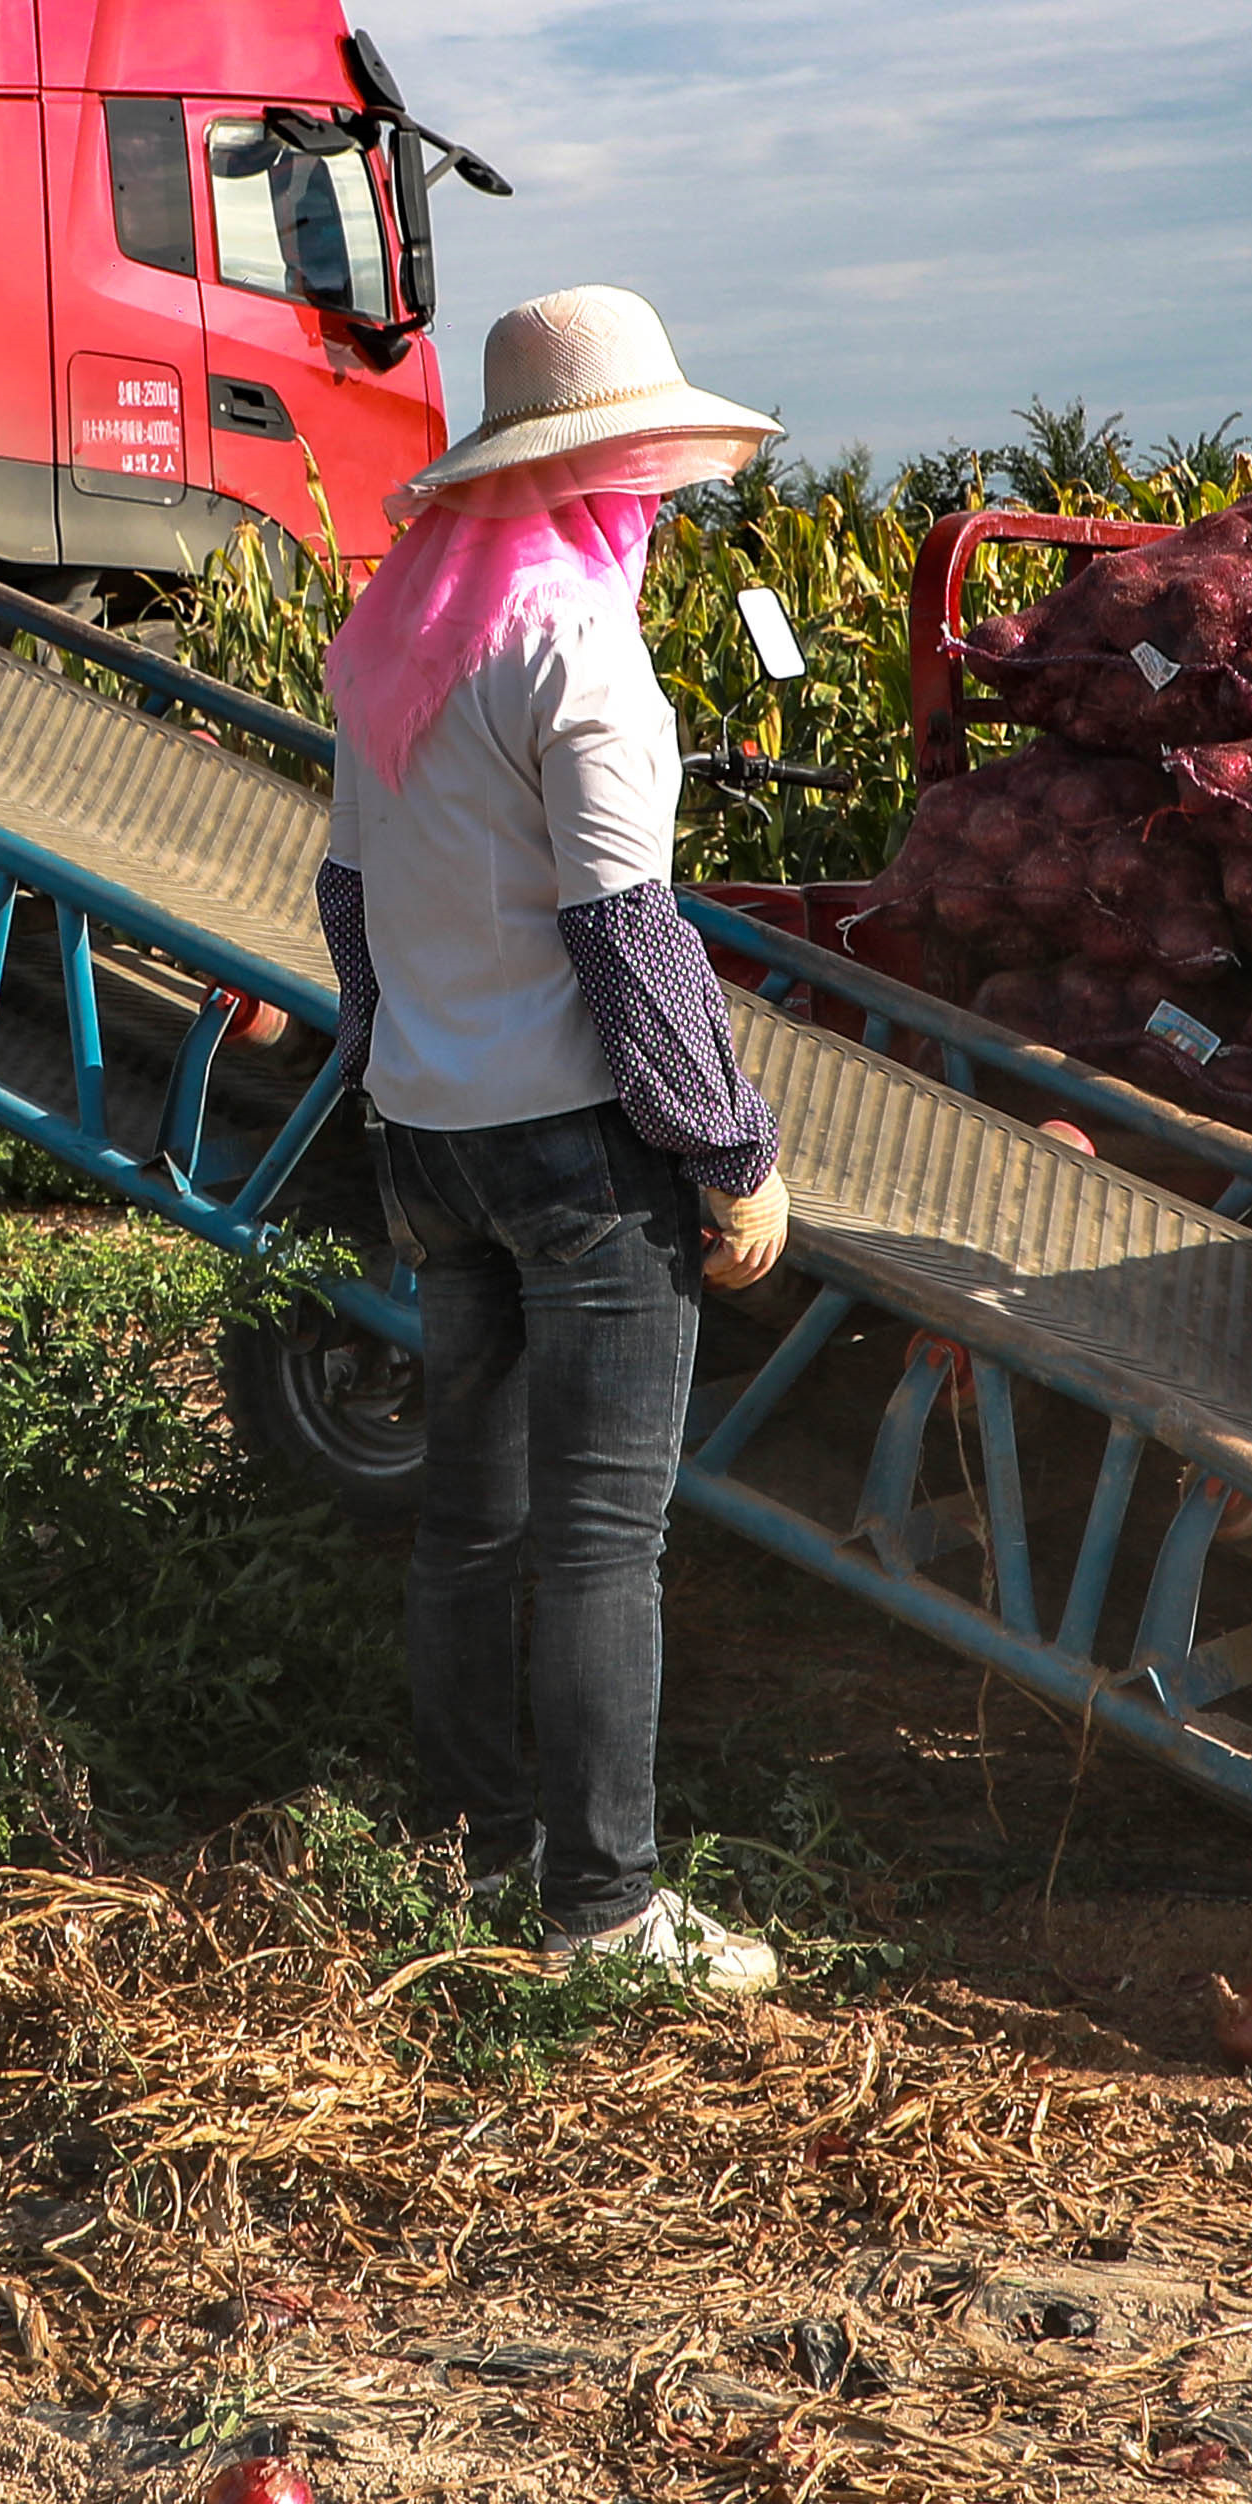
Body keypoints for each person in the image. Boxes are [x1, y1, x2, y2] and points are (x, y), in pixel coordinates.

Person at [317, 283, 797, 1997]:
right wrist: (726, 1146)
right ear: (601, 479)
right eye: (645, 482)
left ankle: (473, 1850)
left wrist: (388, 1090)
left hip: (434, 1135)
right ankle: (604, 1911)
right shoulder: (573, 643)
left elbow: (351, 903)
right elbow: (625, 932)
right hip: (577, 1156)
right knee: (599, 1539)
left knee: (468, 1521)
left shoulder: (390, 634)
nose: (653, 515)